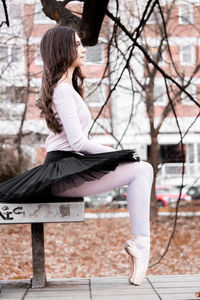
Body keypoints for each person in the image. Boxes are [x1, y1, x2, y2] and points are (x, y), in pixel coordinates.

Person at [0, 25, 153, 286]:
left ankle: (141, 246)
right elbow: (78, 142)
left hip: (68, 167)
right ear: (63, 49)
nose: (83, 48)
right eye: (77, 43)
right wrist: (118, 153)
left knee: (142, 168)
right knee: (142, 169)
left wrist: (117, 154)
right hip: (63, 169)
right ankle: (140, 246)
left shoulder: (67, 88)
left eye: (82, 42)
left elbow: (79, 142)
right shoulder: (61, 90)